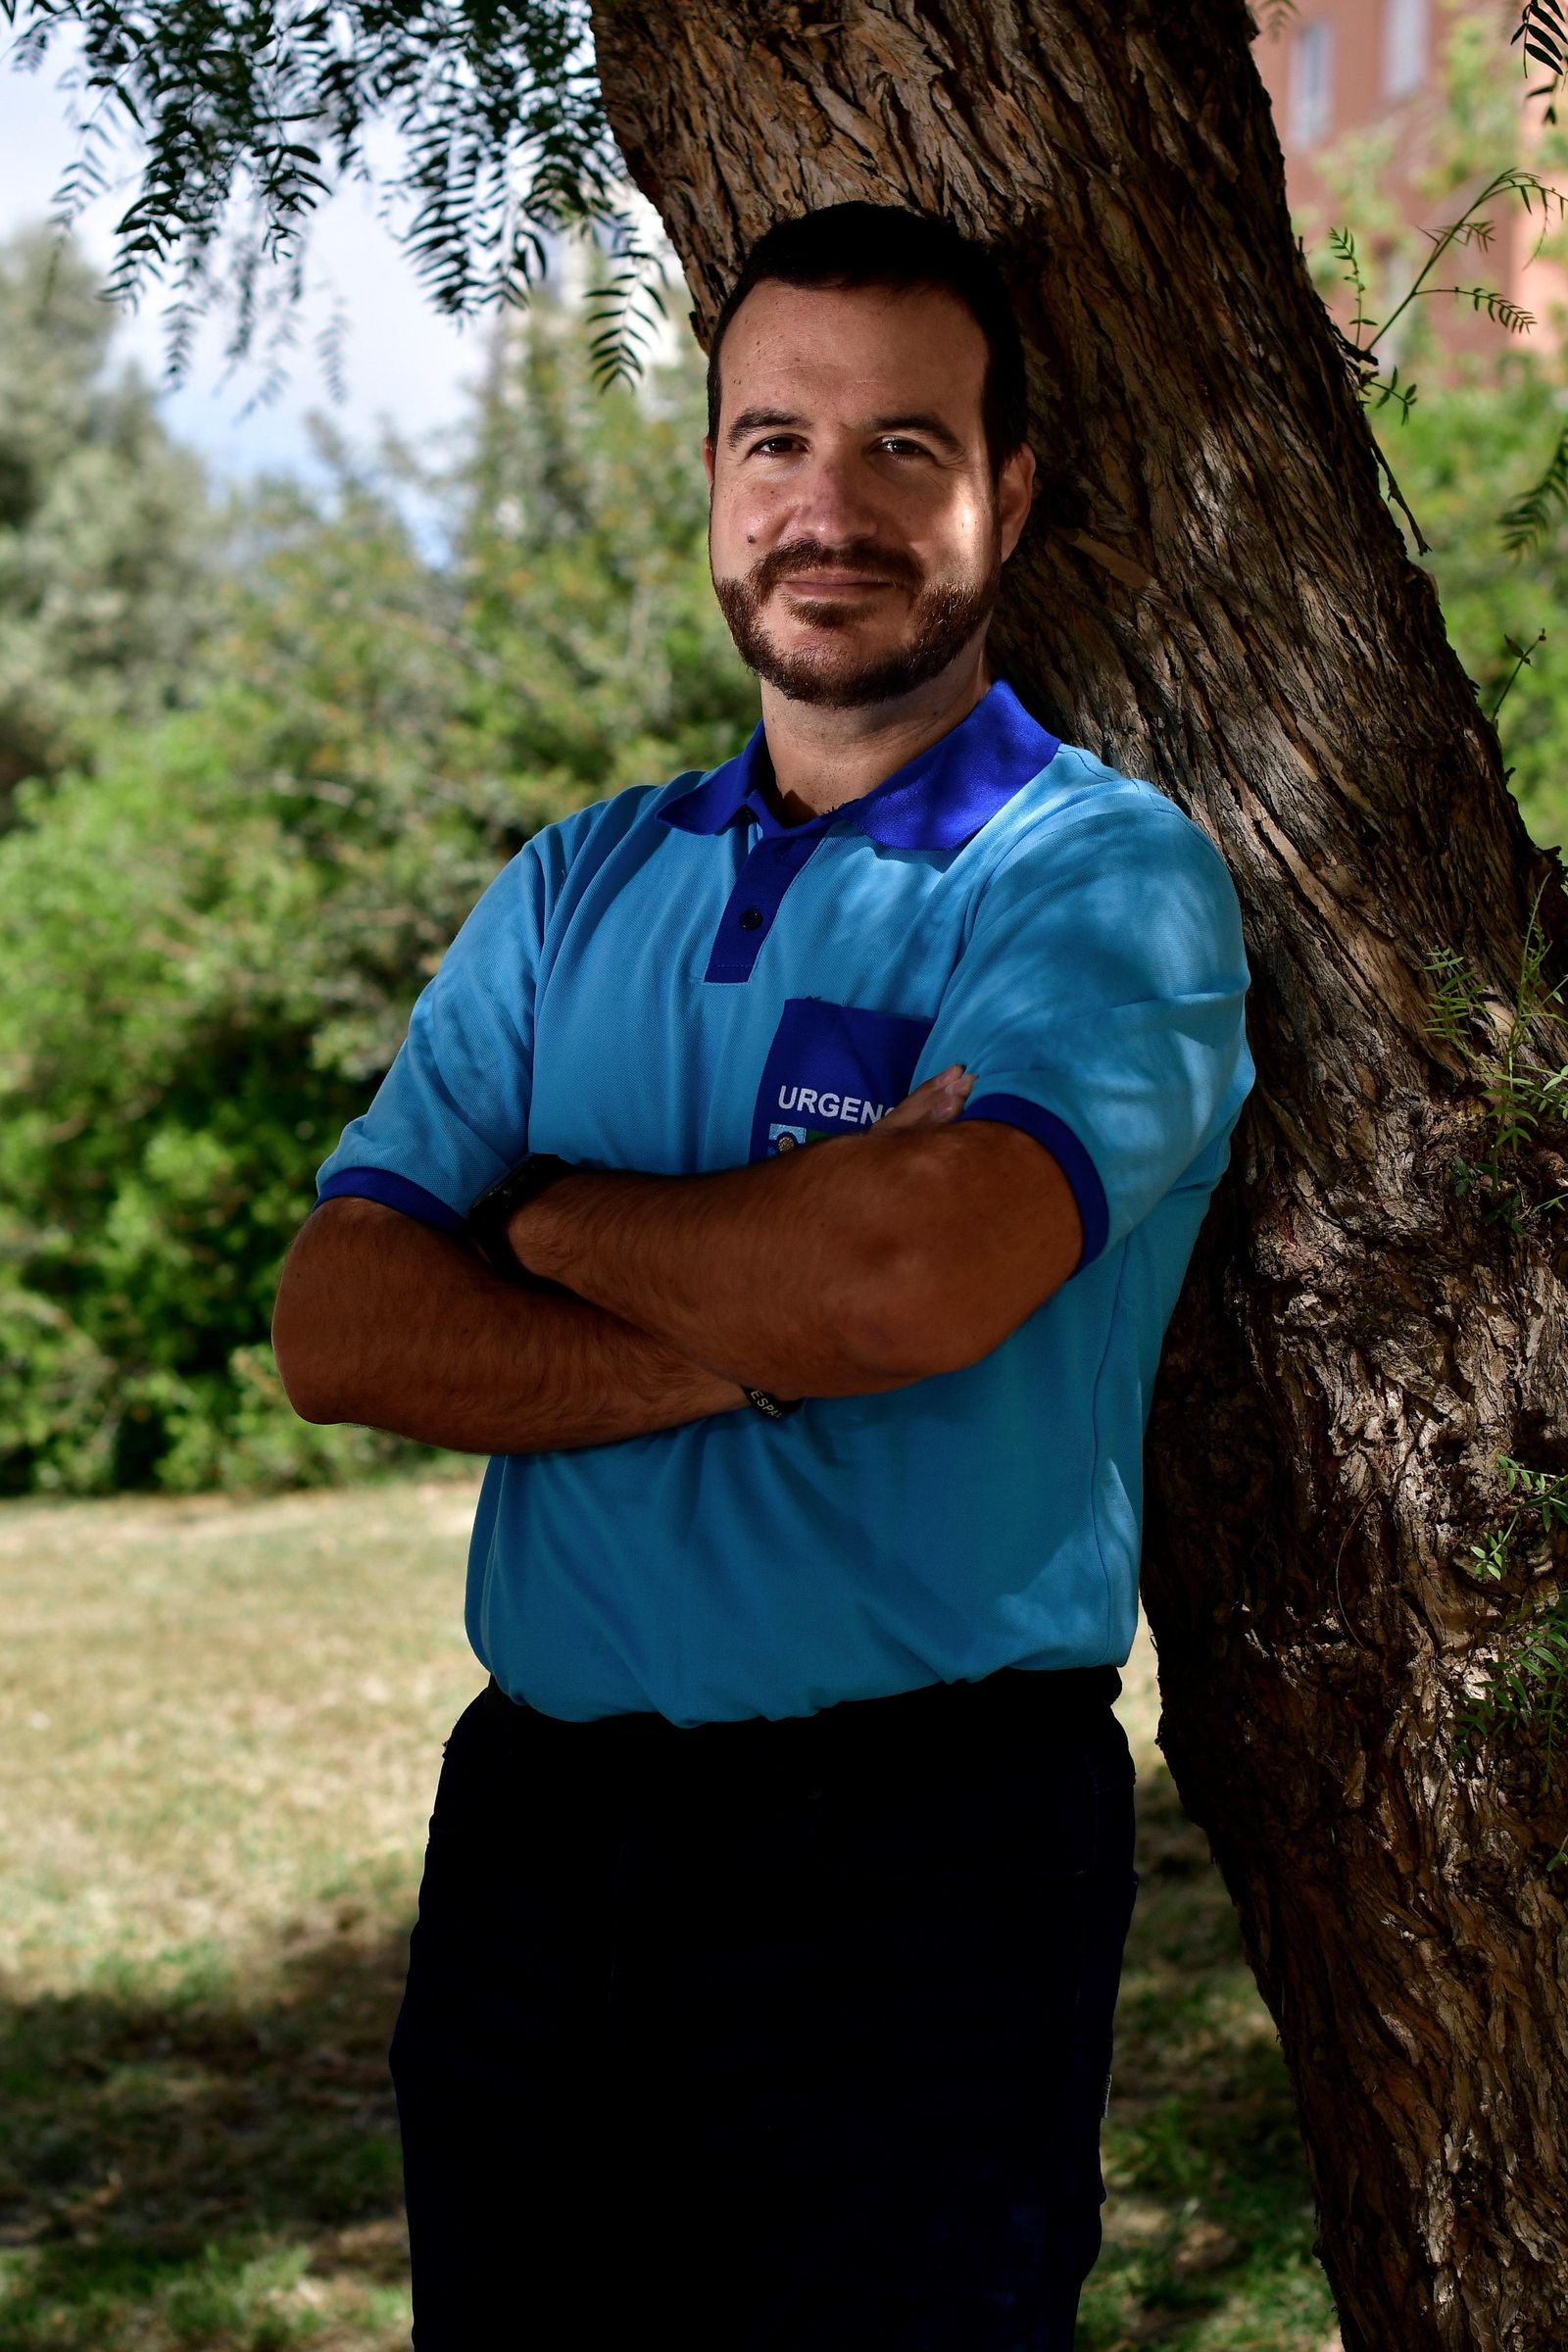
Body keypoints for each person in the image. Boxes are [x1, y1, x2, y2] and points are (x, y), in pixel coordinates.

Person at [271, 199, 1255, 2351]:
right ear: (712, 480)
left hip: (919, 1865)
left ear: (1013, 489)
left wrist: (530, 1213)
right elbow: (337, 1328)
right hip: (538, 1834)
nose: (831, 508)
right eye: (773, 443)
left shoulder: (1098, 877)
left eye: (906, 449)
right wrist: (762, 1327)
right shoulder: (576, 882)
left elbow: (908, 1282)